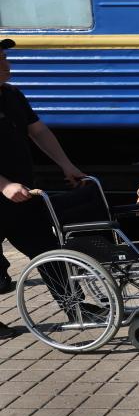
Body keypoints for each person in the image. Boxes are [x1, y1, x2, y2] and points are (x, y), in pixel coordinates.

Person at [0, 38, 86, 340]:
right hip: (5, 192)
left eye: (4, 57)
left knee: (48, 252)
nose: (5, 62)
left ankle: (77, 309)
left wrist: (67, 165)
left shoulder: (12, 95)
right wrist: (4, 184)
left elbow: (38, 131)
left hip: (21, 195)